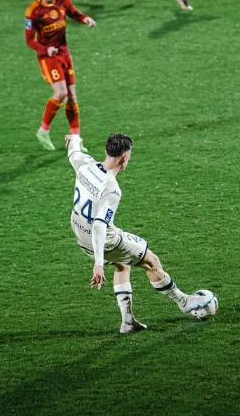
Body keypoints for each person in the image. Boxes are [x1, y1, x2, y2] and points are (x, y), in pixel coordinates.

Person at [65, 133, 214, 334]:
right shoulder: (111, 188)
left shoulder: (85, 165)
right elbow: (100, 225)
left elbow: (74, 153)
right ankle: (184, 301)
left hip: (80, 235)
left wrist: (74, 139)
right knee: (151, 261)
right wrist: (98, 264)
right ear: (124, 157)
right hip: (104, 240)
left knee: (122, 263)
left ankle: (128, 322)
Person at [24, 0, 96, 151]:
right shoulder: (33, 11)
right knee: (61, 93)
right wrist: (45, 49)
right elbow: (29, 40)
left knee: (72, 96)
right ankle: (43, 130)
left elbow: (73, 13)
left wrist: (84, 18)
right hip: (48, 58)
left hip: (64, 53)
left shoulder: (63, 0)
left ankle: (76, 140)